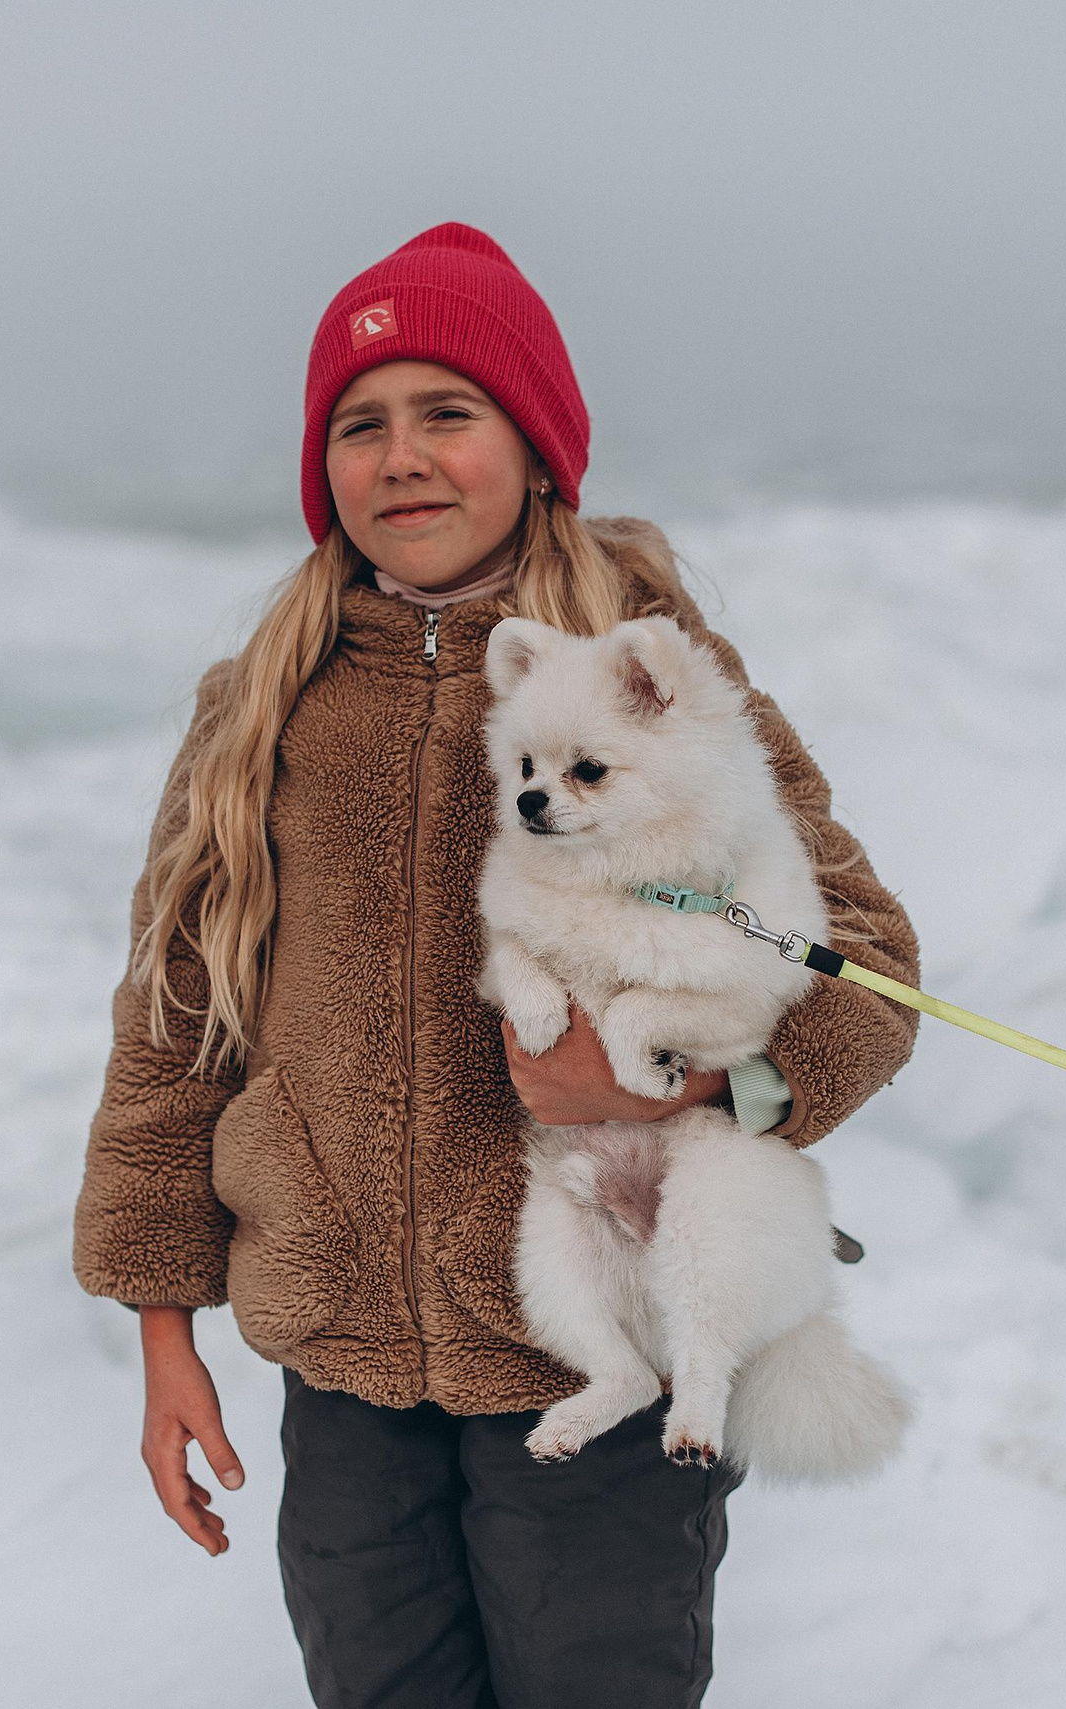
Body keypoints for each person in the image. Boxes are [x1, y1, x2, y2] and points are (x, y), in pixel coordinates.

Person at [73, 222, 921, 1709]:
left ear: (535, 446)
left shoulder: (656, 693)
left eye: (446, 412)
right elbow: (175, 1022)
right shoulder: (259, 708)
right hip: (338, 1364)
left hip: (598, 1351)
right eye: (360, 422)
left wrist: (705, 1084)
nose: (401, 455)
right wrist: (163, 1333)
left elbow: (872, 969)